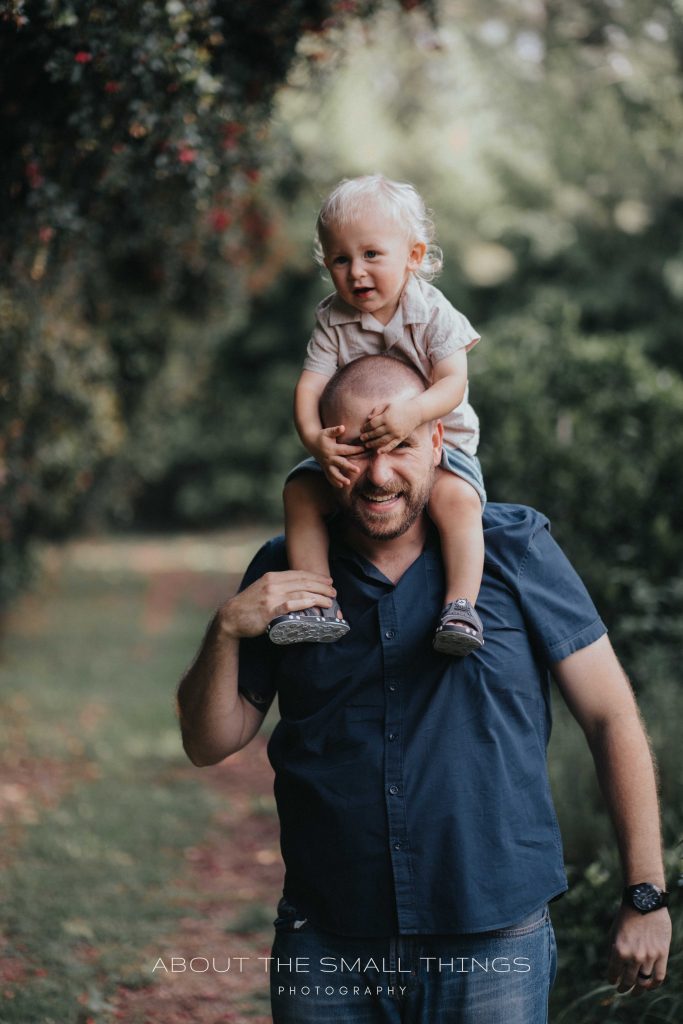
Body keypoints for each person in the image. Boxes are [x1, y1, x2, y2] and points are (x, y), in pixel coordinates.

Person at [177, 356, 671, 1024]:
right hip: (327, 938)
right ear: (321, 450)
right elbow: (208, 743)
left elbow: (611, 717)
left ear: (438, 441)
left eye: (400, 447)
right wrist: (225, 630)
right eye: (355, 450)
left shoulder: (515, 549)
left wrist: (645, 896)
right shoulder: (283, 568)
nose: (378, 475)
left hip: (494, 939)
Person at [271, 174, 486, 656]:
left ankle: (460, 607)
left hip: (437, 446)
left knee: (457, 501)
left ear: (413, 256)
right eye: (340, 259)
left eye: (371, 254)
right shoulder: (332, 319)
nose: (356, 272)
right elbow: (309, 387)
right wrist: (315, 440)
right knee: (300, 492)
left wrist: (413, 414)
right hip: (357, 447)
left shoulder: (433, 313)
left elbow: (453, 382)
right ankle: (317, 604)